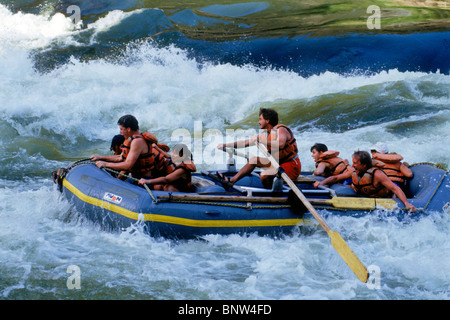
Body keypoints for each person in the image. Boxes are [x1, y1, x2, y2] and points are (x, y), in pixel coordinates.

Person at [216, 108, 301, 189]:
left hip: (291, 165)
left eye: (260, 119)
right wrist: (225, 145)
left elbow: (281, 144)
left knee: (264, 175)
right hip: (277, 164)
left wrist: (261, 140)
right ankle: (232, 180)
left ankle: (272, 196)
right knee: (253, 160)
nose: (258, 122)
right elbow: (245, 143)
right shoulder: (266, 133)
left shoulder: (281, 129)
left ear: (267, 121)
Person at [91, 114, 167, 180]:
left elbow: (128, 165)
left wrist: (105, 164)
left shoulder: (137, 141)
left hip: (143, 180)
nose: (120, 132)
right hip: (137, 178)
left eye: (121, 129)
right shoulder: (134, 139)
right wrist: (100, 158)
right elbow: (120, 157)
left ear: (128, 129)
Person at [351, 150, 416, 212]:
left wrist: (406, 203)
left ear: (364, 164)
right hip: (367, 200)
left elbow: (395, 188)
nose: (352, 165)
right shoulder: (355, 173)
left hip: (383, 202)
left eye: (355, 163)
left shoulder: (377, 174)